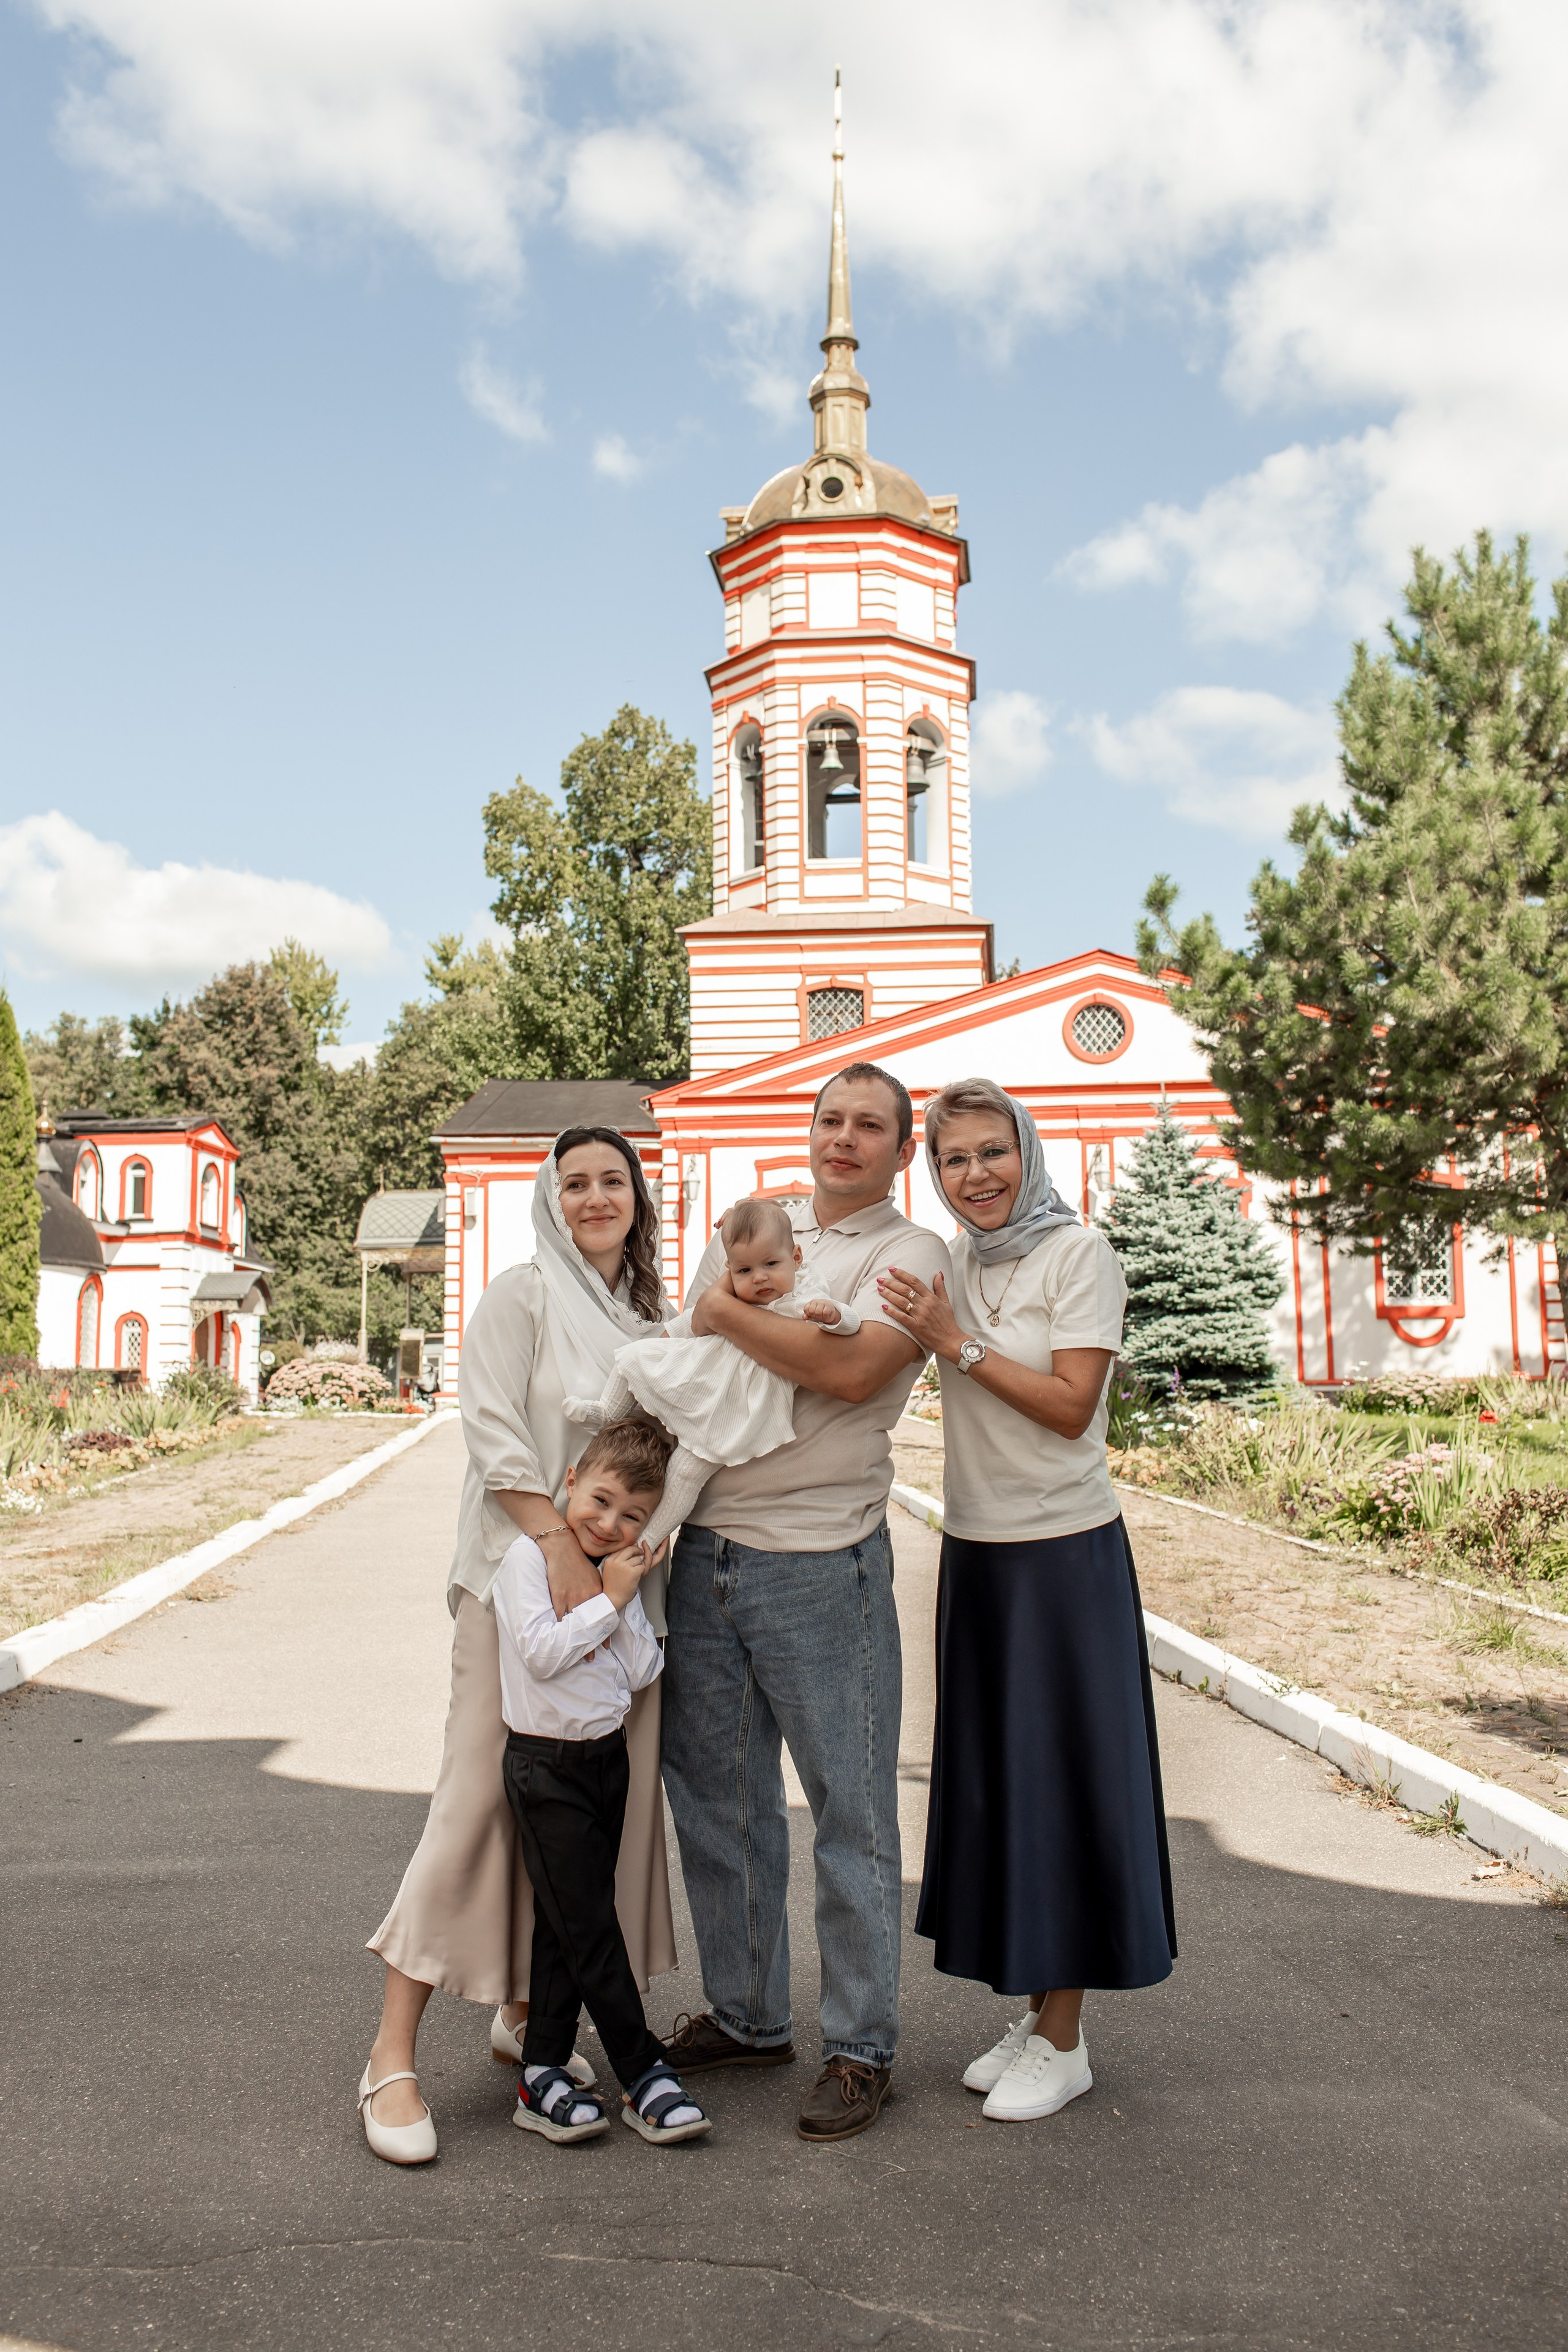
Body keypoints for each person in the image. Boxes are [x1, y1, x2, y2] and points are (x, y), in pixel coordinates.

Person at [357, 1128, 678, 2166]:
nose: (595, 1197)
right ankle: (389, 2057)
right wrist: (556, 1548)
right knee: (478, 1804)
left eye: (612, 1181)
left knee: (590, 1819)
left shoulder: (649, 1318)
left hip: (620, 1605)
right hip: (517, 1582)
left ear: (637, 1196)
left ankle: (530, 2015)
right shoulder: (520, 1296)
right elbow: (492, 1427)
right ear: (552, 1198)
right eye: (575, 1181)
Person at [658, 1062, 952, 2144]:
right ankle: (746, 2018)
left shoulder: (910, 1252)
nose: (844, 1139)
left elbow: (852, 1374)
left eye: (870, 1126)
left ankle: (862, 2046)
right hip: (708, 1556)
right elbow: (688, 1356)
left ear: (901, 1150)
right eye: (830, 1119)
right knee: (720, 1805)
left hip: (822, 1564)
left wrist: (724, 1311)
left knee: (850, 1814)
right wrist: (721, 1317)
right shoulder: (759, 1221)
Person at [878, 1077, 1176, 2125]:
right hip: (980, 1554)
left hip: (1064, 1559)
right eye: (954, 1159)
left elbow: (1067, 1405)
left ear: (1026, 1149)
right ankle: (1036, 2008)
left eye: (992, 1151)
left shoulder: (1077, 1255)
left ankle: (1068, 2033)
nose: (976, 1176)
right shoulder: (953, 1261)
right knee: (1006, 1787)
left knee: (1069, 1784)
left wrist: (955, 1340)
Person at [496, 1417, 710, 2148]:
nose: (611, 1523)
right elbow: (544, 1654)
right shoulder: (526, 1563)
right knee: (590, 1926)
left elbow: (642, 1672)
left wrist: (621, 1599)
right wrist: (609, 1600)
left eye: (633, 1517)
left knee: (566, 1925)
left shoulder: (618, 1574)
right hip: (545, 1766)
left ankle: (542, 2073)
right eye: (602, 1501)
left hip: (605, 1764)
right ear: (571, 1484)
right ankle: (643, 2071)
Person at [564, 1196, 861, 1554]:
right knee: (633, 1359)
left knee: (686, 1473)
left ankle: (646, 1542)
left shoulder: (806, 1295)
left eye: (771, 1263)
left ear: (796, 1258)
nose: (760, 1277)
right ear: (730, 1270)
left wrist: (833, 1316)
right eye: (745, 1271)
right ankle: (606, 1412)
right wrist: (666, 1342)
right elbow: (695, 1320)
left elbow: (852, 1324)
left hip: (740, 1403)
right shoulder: (732, 1295)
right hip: (704, 1377)